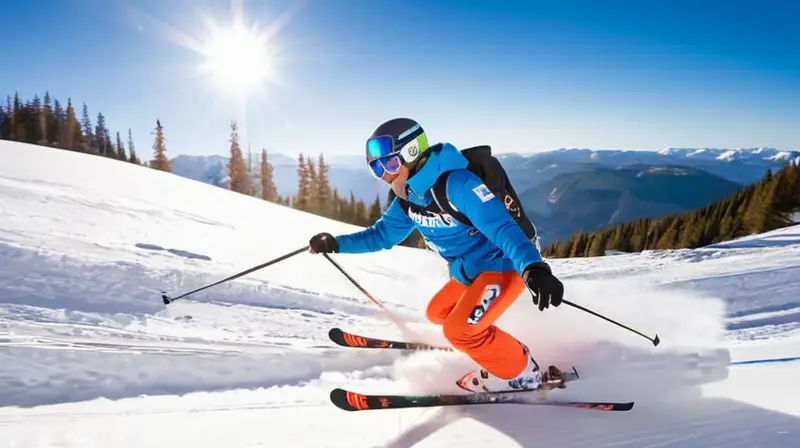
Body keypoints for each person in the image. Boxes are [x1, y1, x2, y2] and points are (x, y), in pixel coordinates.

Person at [307, 117, 566, 393]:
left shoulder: (458, 185)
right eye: (376, 168)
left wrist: (533, 267)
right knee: (438, 312)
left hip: (505, 265)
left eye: (390, 164)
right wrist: (336, 243)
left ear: (412, 153)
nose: (384, 174)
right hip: (472, 271)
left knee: (458, 331)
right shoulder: (409, 198)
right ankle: (486, 344)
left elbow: (504, 228)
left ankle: (525, 373)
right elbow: (381, 235)